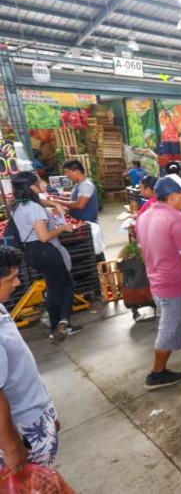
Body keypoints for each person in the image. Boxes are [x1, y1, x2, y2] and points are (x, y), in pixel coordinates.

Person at [0, 247, 60, 472]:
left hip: (34, 415)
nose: (17, 283)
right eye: (11, 278)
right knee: (27, 484)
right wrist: (12, 448)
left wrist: (47, 412)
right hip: (21, 430)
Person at [136, 175, 181, 390]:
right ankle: (157, 373)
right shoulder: (177, 219)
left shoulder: (144, 216)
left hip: (156, 280)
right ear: (172, 197)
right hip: (174, 283)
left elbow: (143, 251)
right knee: (170, 328)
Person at [9, 172, 78, 343]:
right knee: (61, 288)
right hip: (45, 250)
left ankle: (62, 323)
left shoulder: (18, 205)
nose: (43, 183)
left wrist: (54, 203)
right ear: (32, 187)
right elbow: (44, 236)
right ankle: (59, 325)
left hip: (32, 252)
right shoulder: (34, 208)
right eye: (39, 181)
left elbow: (40, 202)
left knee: (59, 286)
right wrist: (62, 228)